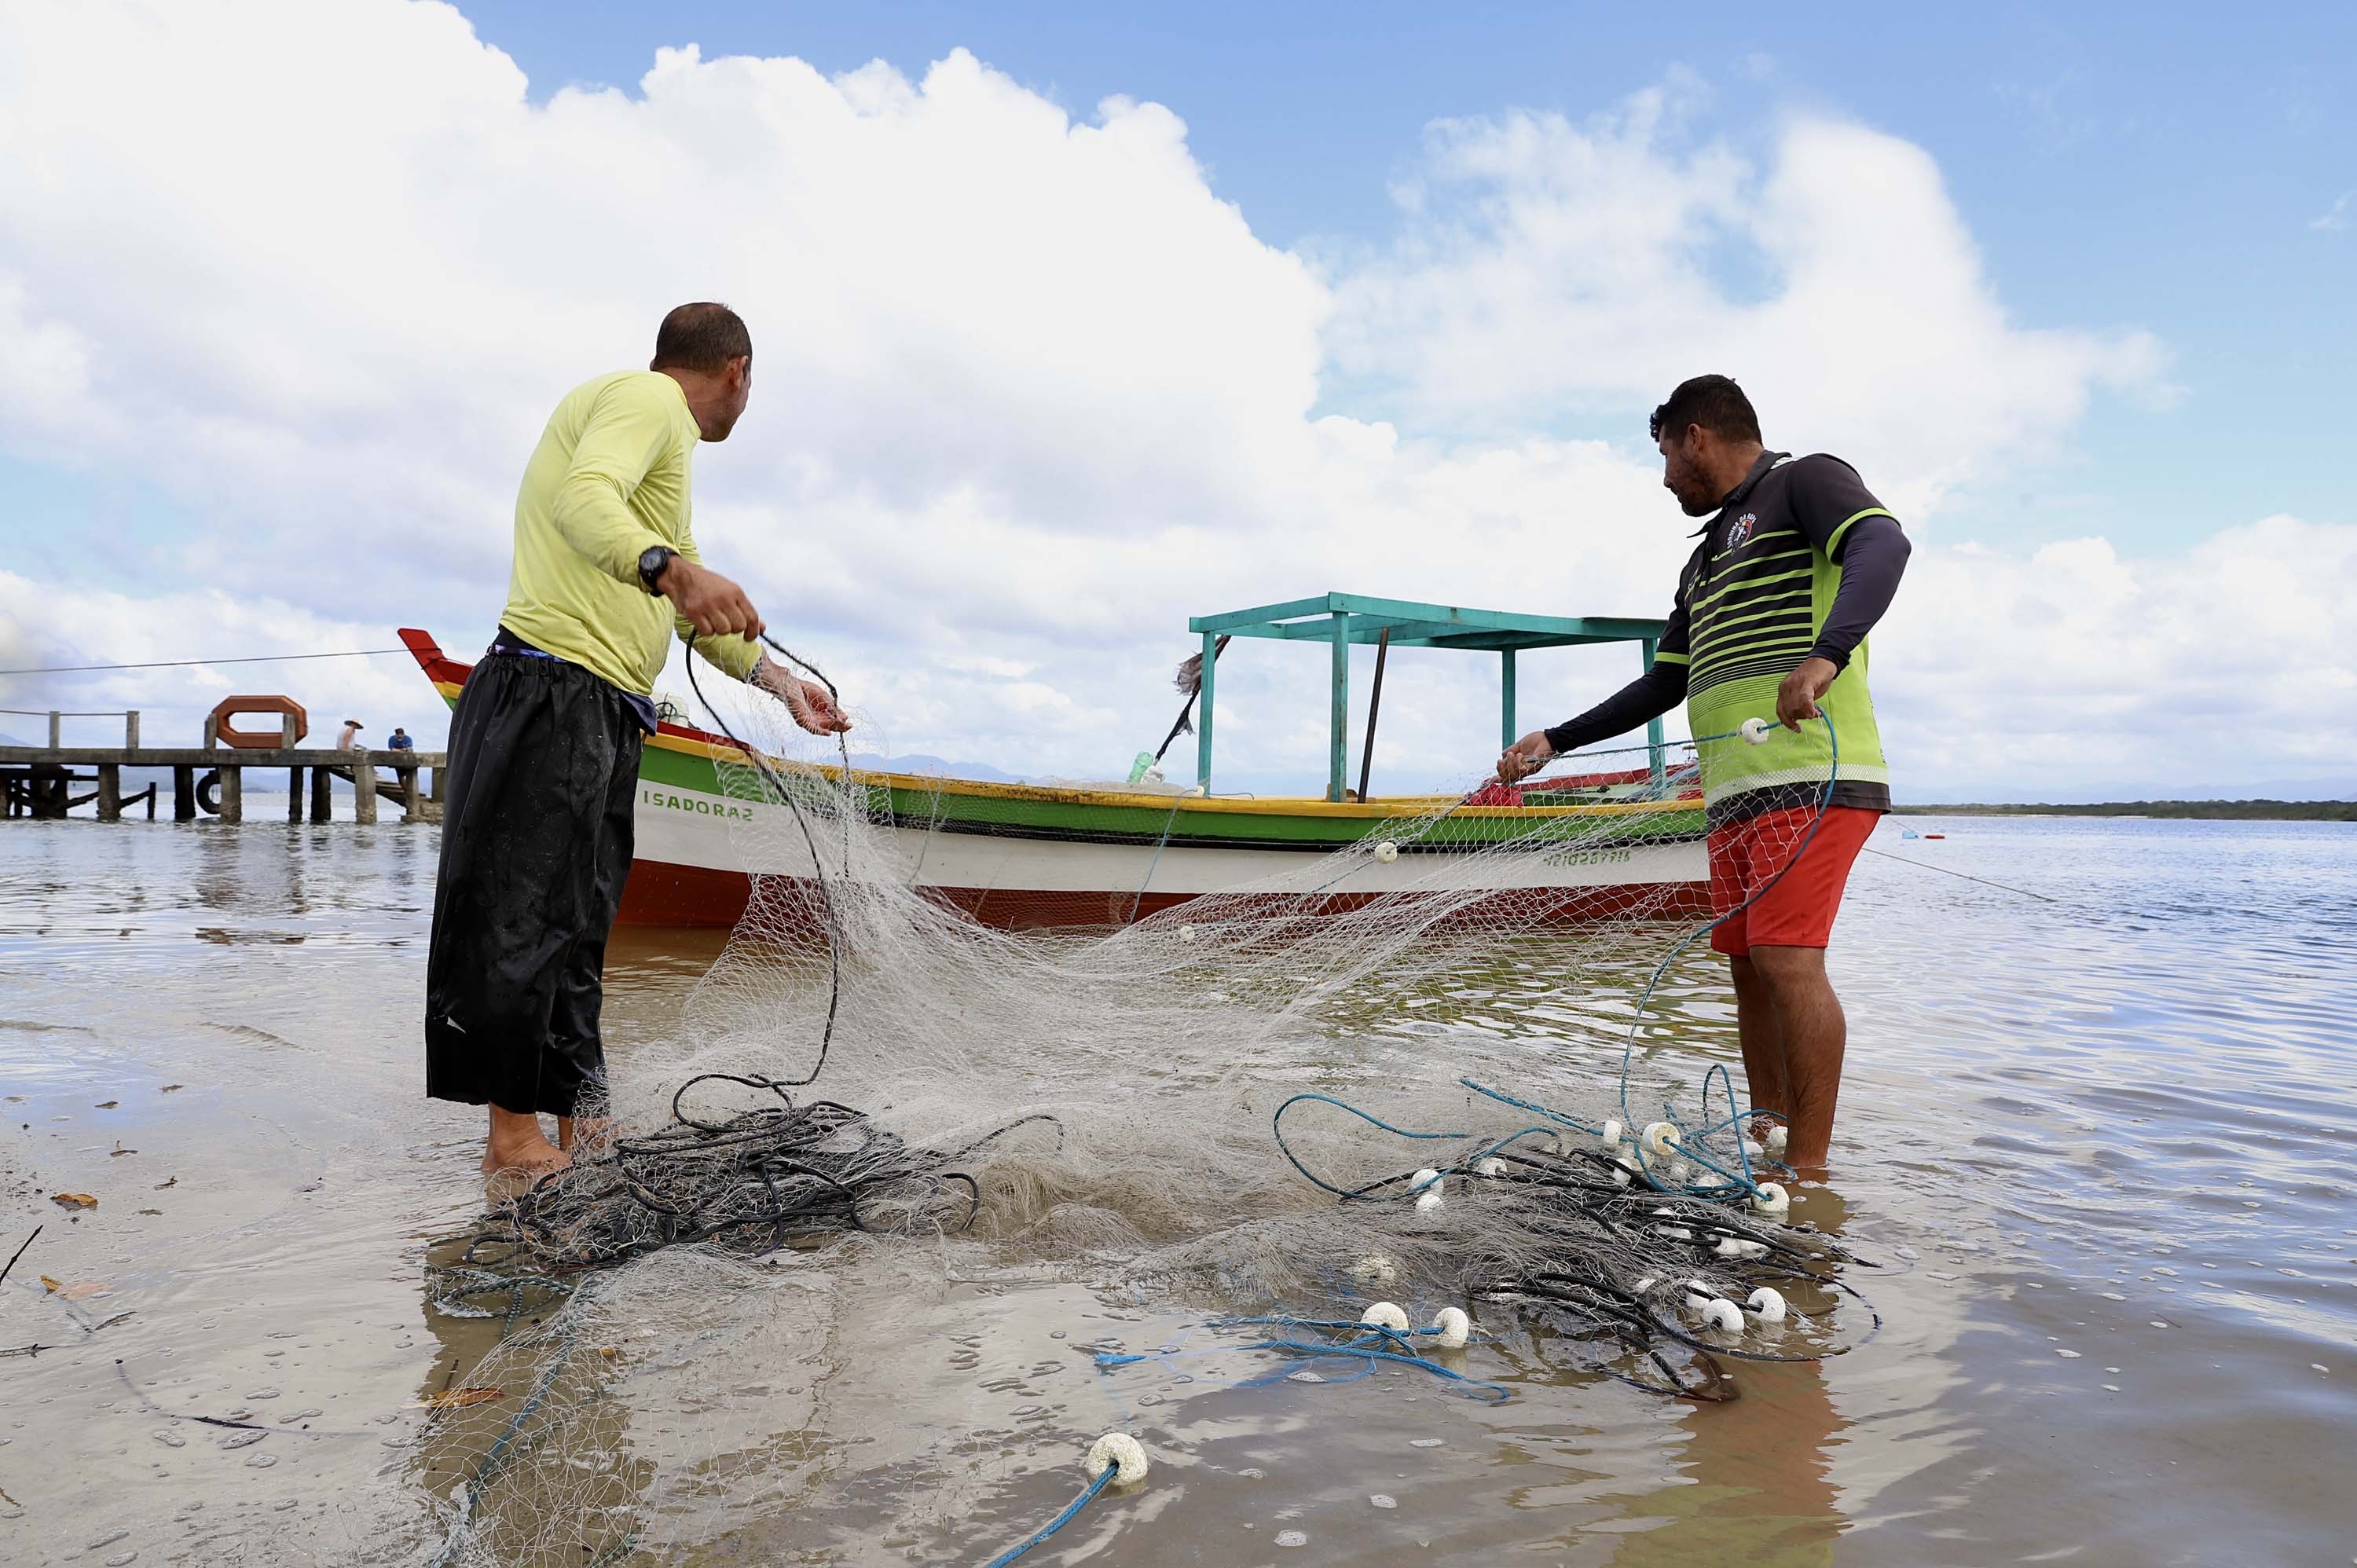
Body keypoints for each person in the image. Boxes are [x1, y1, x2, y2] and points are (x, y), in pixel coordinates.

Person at [426, 302, 851, 1179]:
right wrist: (668, 566)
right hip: (549, 683)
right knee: (526, 919)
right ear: (736, 371)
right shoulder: (645, 401)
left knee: (581, 932)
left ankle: (586, 1126)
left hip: (602, 704)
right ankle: (510, 1141)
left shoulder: (670, 468)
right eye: (749, 383)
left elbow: (689, 606)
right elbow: (587, 498)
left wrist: (778, 682)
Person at [1494, 376, 1909, 1174]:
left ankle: (1812, 1174)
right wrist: (1558, 738)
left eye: (1665, 455)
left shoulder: (1805, 480)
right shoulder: (1703, 561)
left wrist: (1826, 653)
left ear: (1698, 435)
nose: (1665, 477)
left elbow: (1883, 543)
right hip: (1733, 794)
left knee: (1789, 960)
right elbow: (1664, 681)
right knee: (1750, 967)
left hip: (1811, 772)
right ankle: (1768, 1146)